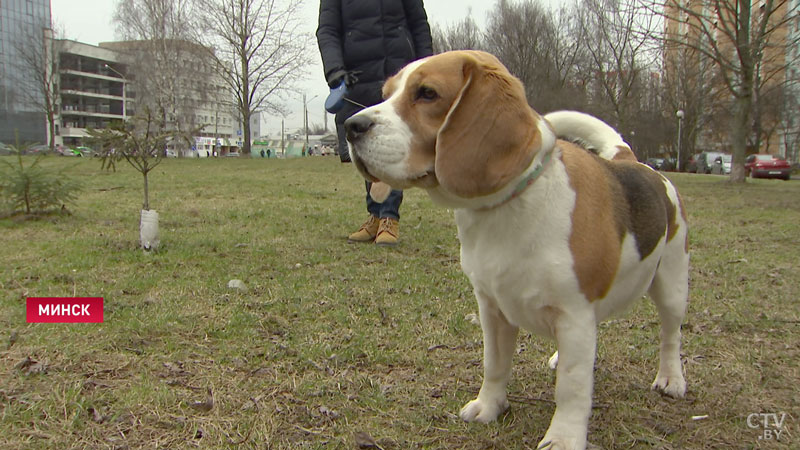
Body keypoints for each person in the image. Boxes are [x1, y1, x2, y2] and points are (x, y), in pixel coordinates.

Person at [317, 0, 432, 247]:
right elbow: (327, 30)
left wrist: (426, 69)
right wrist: (334, 70)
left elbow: (418, 24)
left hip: (398, 70)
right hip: (357, 74)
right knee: (365, 145)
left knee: (389, 141)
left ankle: (388, 217)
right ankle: (376, 214)